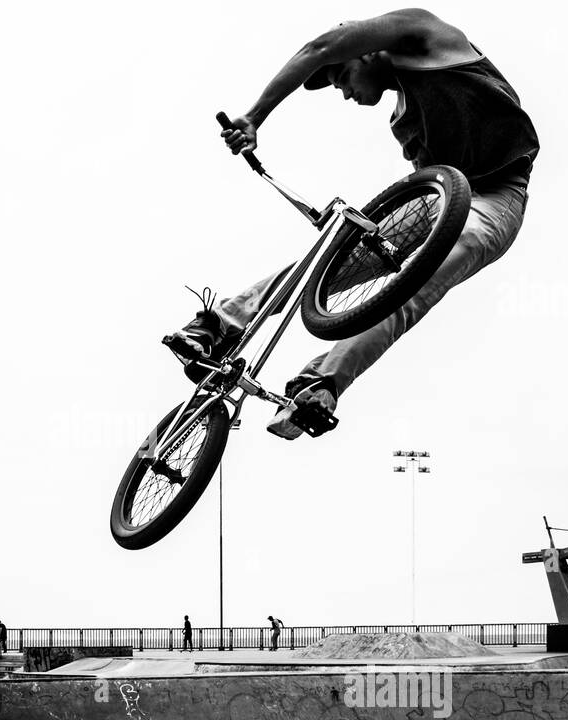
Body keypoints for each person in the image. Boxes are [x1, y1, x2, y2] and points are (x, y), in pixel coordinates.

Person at [164, 9, 538, 439]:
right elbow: (429, 188)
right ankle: (222, 324)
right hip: (436, 197)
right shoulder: (404, 114)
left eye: (340, 78)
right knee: (332, 262)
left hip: (494, 198)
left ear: (366, 52)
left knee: (415, 289)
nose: (343, 93)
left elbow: (317, 49)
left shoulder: (427, 38)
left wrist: (255, 117)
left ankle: (322, 382)